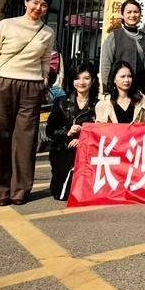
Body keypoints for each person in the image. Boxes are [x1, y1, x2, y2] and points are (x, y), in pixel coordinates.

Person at [0, 0, 56, 206]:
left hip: (32, 87)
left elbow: (45, 60)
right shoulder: (7, 24)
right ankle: (0, 191)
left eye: (43, 5)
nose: (38, 7)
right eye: (35, 2)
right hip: (3, 82)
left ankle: (20, 191)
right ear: (26, 1)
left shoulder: (47, 32)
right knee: (1, 136)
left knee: (26, 139)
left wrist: (43, 82)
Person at [45, 62, 97, 200]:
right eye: (77, 78)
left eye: (86, 78)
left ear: (93, 81)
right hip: (63, 149)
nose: (81, 82)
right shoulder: (61, 102)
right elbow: (50, 131)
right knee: (60, 193)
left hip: (88, 151)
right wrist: (67, 132)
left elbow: (103, 132)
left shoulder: (98, 105)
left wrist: (83, 139)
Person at [99, 0, 145, 96]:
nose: (133, 15)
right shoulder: (114, 36)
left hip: (140, 89)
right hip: (120, 90)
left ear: (140, 14)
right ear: (122, 15)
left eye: (136, 12)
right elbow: (106, 65)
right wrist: (109, 89)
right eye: (129, 12)